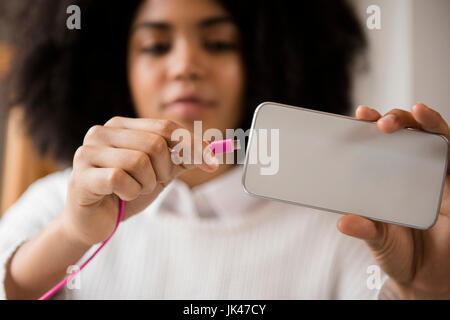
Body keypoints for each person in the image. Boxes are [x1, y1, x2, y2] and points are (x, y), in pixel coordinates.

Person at [1, 0, 449, 300]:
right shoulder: (56, 205)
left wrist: (427, 290)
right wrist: (73, 235)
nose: (185, 66)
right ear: (114, 70)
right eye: (156, 46)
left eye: (217, 43)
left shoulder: (350, 226)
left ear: (262, 60)